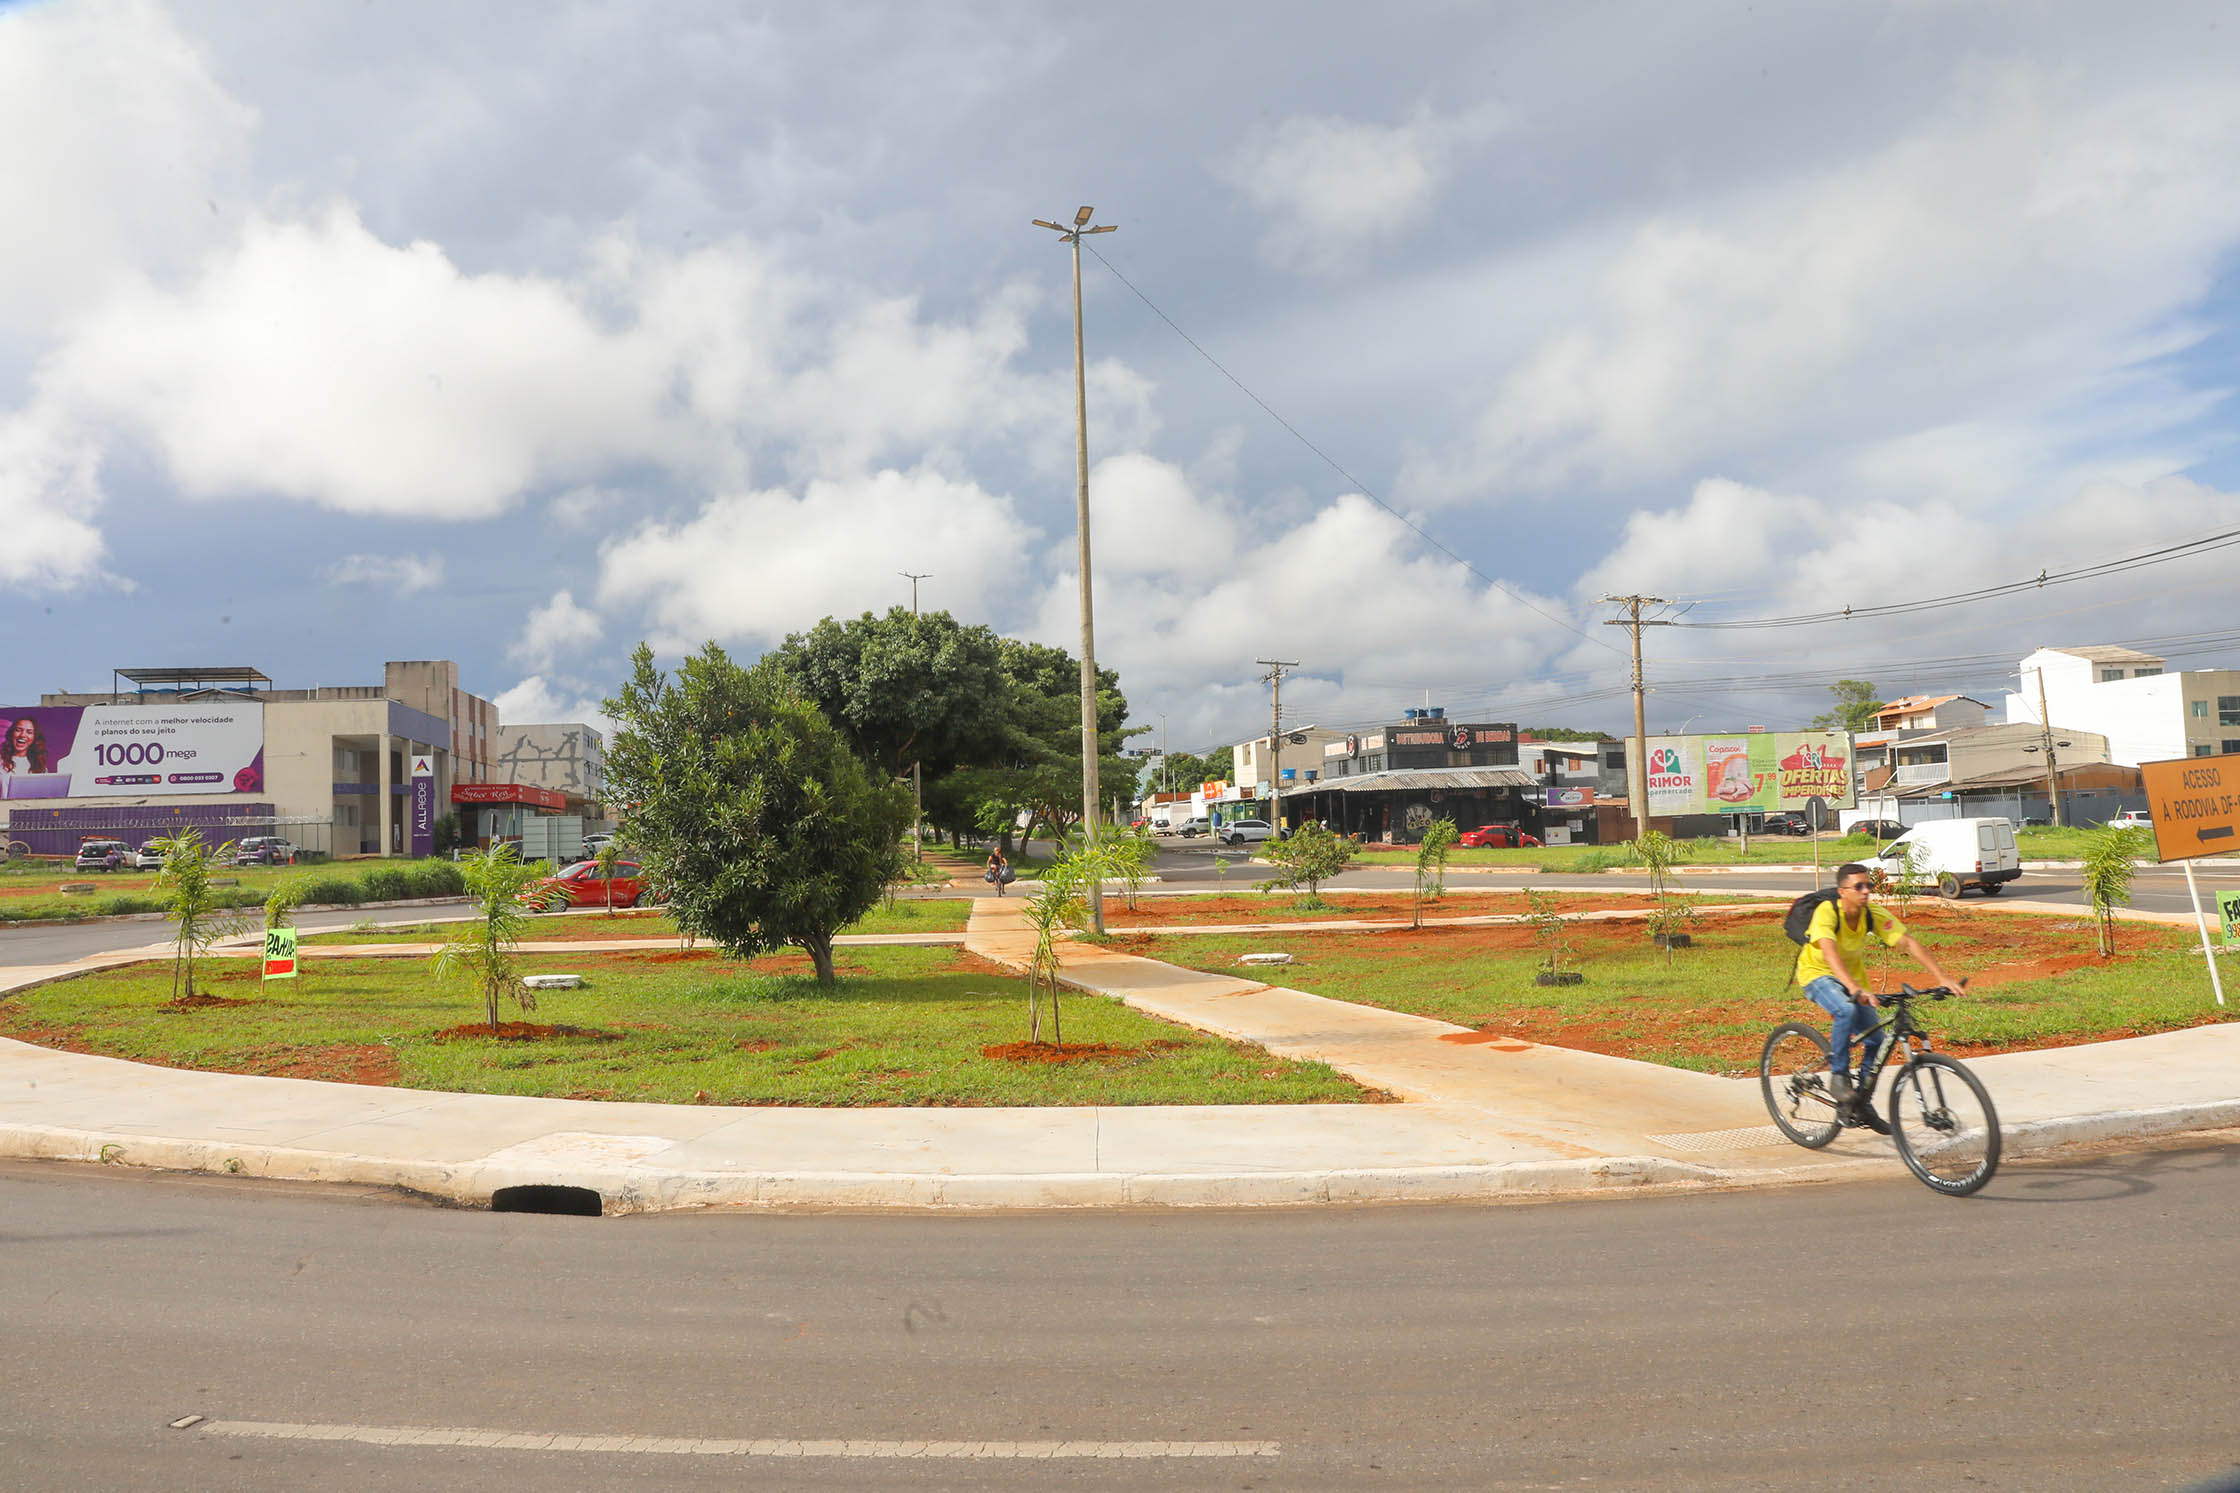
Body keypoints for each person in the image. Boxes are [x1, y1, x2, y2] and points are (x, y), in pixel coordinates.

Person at [1795, 862, 1966, 1133]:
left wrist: (1941, 976)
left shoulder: (1871, 914)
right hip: (1817, 974)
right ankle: (1838, 1077)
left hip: (1855, 983)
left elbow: (1906, 942)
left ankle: (1861, 1102)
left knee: (1876, 1040)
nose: (1866, 892)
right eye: (1859, 887)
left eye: (1869, 886)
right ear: (1842, 891)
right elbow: (1828, 951)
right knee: (1845, 1011)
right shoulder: (1827, 912)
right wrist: (1853, 988)